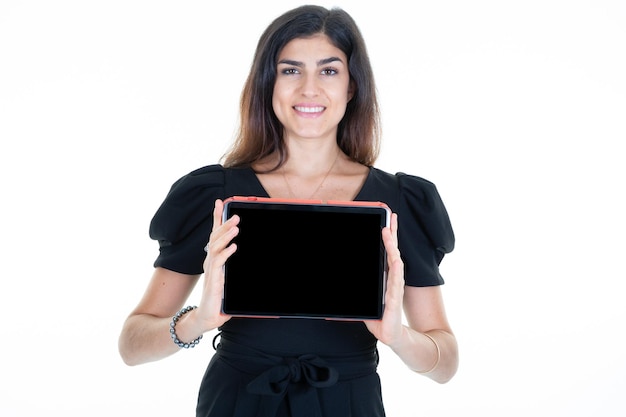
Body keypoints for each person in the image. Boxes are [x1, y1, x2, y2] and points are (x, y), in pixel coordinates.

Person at [118, 5, 458, 416]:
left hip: (348, 404)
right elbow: (132, 346)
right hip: (236, 401)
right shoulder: (216, 194)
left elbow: (445, 364)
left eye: (329, 71)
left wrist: (398, 336)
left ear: (352, 86)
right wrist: (198, 320)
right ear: (268, 83)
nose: (309, 89)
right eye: (291, 70)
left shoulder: (400, 200)